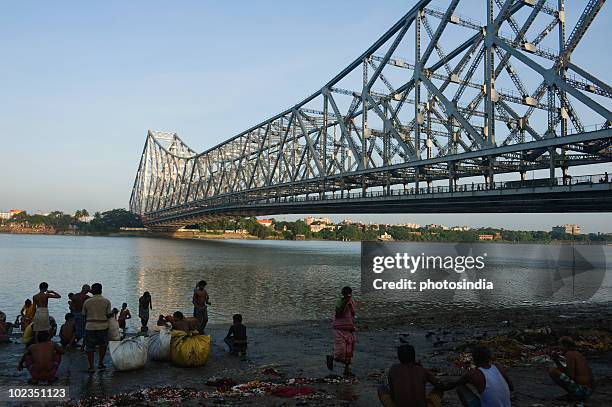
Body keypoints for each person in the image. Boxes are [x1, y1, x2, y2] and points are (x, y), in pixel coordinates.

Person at [378, 344, 444, 407]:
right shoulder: (422, 370)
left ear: (399, 357)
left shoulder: (393, 369)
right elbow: (440, 385)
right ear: (414, 356)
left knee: (381, 388)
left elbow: (393, 396)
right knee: (439, 389)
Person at [446, 346, 513, 407]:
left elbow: (453, 385)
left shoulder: (474, 373)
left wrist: (438, 386)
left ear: (474, 359)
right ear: (489, 358)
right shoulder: (499, 368)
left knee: (459, 386)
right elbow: (511, 387)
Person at [548, 336, 595, 401]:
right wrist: (556, 360)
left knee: (552, 371)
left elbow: (571, 375)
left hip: (583, 391)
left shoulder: (569, 354)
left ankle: (575, 395)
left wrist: (556, 361)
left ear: (566, 345)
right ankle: (575, 394)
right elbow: (569, 372)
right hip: (589, 390)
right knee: (556, 370)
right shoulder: (576, 353)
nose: (559, 348)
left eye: (560, 345)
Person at [326, 286, 356, 377]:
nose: (348, 296)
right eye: (346, 294)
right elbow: (339, 314)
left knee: (349, 351)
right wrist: (345, 302)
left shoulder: (351, 302)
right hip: (339, 329)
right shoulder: (340, 301)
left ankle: (347, 370)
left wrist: (349, 304)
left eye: (349, 294)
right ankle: (331, 357)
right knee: (340, 351)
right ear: (343, 294)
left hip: (348, 328)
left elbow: (352, 315)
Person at [82, 283, 112, 373]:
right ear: (101, 290)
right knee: (103, 345)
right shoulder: (106, 301)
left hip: (90, 326)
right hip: (103, 326)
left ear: (92, 291)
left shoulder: (87, 302)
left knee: (90, 347)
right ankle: (100, 363)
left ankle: (91, 366)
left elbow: (83, 314)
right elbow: (108, 314)